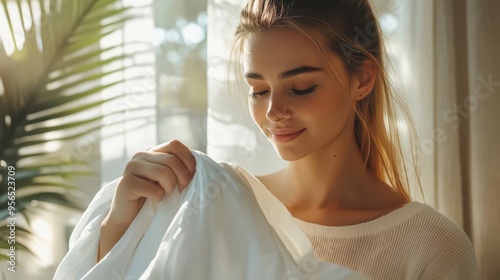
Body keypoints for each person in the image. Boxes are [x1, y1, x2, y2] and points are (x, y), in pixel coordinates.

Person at [97, 0, 480, 279]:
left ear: (362, 79)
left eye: (301, 88)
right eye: (259, 90)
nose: (273, 111)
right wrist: (118, 225)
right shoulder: (217, 205)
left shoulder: (432, 247)